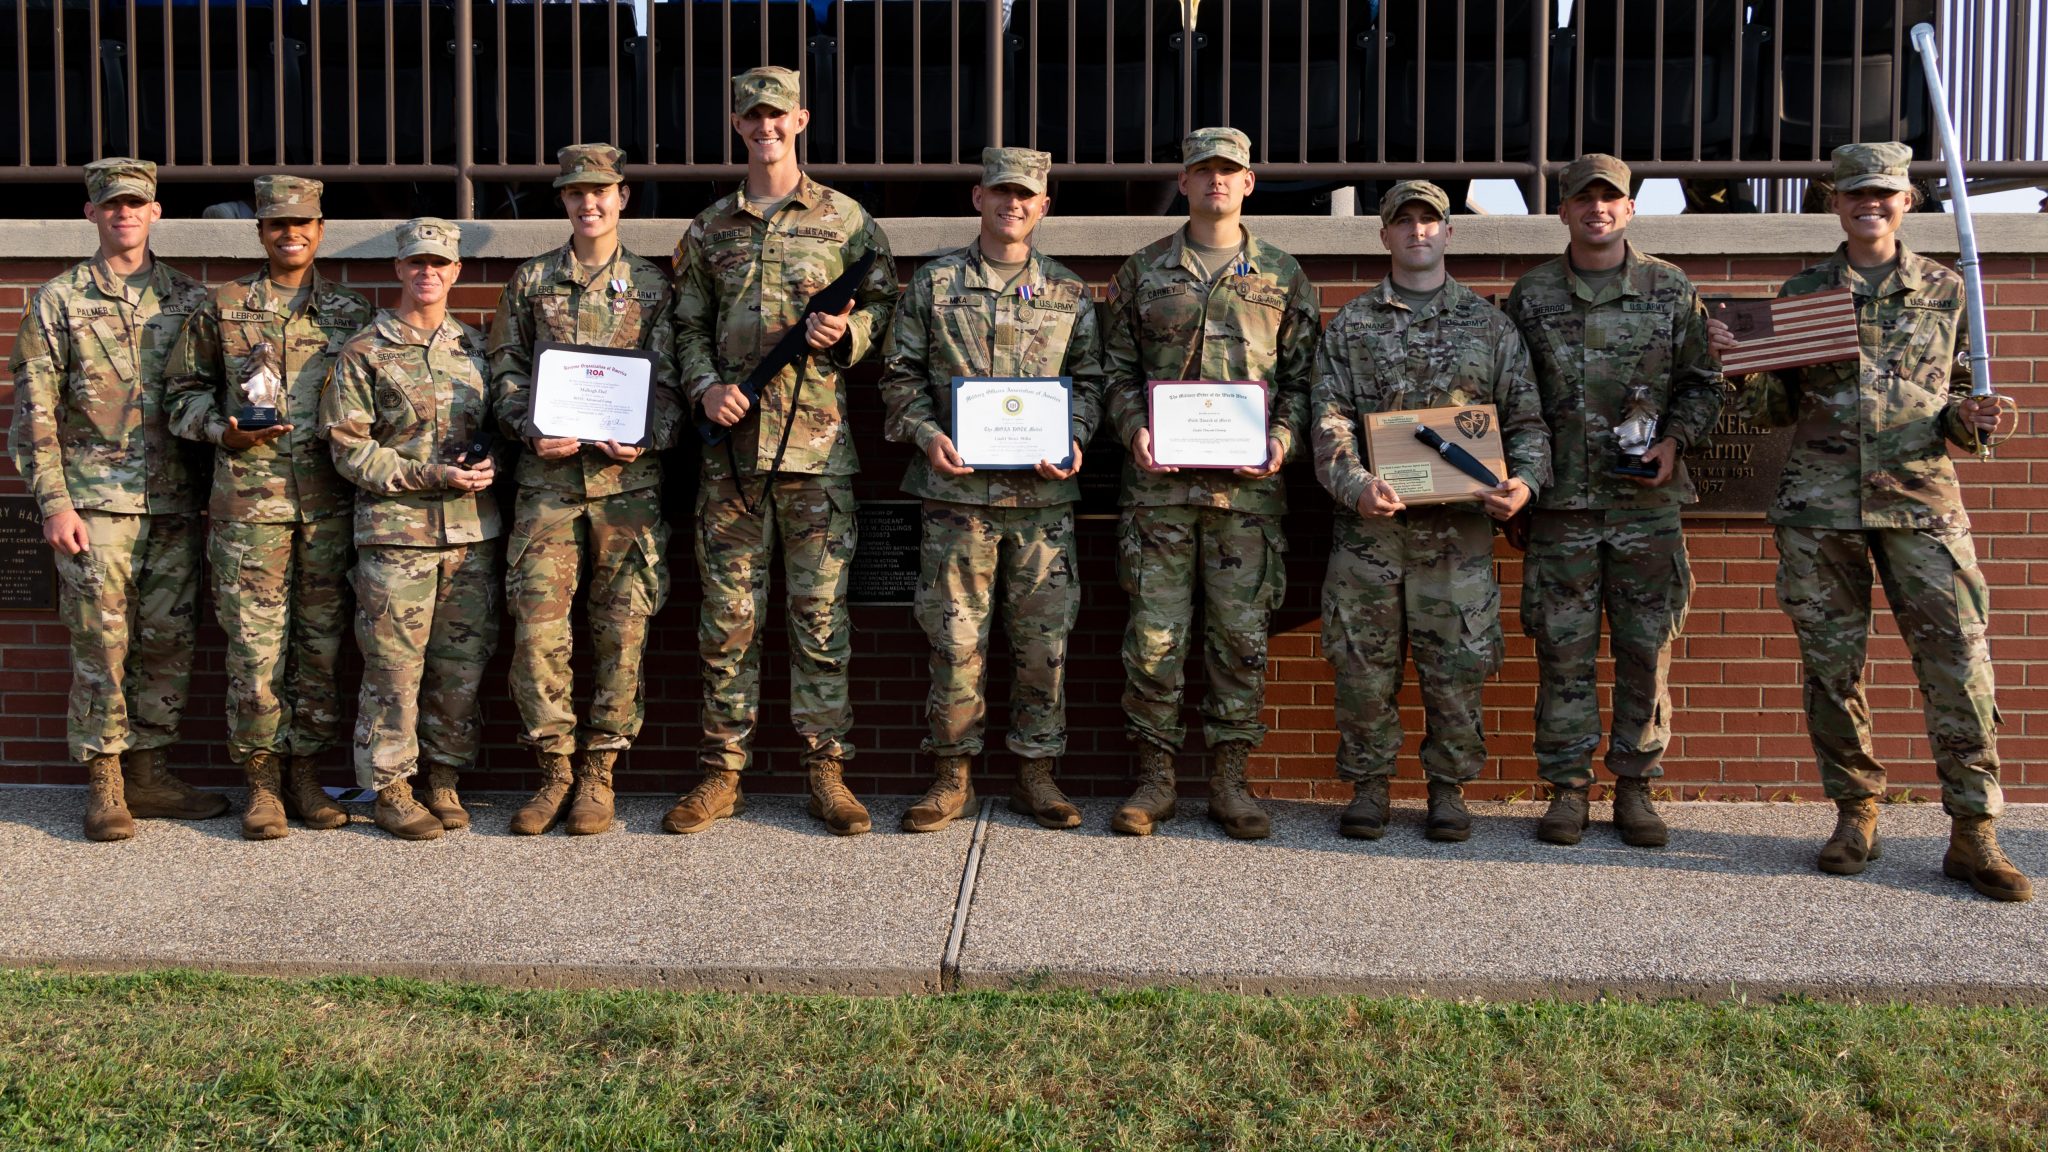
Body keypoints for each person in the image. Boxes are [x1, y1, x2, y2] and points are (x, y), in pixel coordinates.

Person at [1707, 142, 2031, 902]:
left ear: (1907, 202)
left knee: (1958, 664)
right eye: (1855, 193)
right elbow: (1773, 411)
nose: (1870, 204)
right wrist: (1744, 366)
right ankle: (1856, 813)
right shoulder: (1805, 290)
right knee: (1832, 668)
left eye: (1884, 193)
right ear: (1836, 202)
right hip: (1821, 510)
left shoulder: (1948, 292)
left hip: (1920, 504)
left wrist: (1985, 415)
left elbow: (1963, 405)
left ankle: (1973, 830)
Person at [665, 66, 899, 836]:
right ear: (737, 125)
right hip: (730, 457)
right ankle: (721, 773)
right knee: (728, 621)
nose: (765, 127)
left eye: (778, 115)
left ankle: (826, 771)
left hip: (816, 454)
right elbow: (685, 326)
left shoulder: (847, 222)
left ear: (801, 119)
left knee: (819, 618)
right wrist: (703, 388)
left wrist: (850, 335)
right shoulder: (709, 229)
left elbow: (890, 310)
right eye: (751, 117)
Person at [1312, 180, 1550, 841]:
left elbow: (1527, 419)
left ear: (1451, 232)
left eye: (1430, 220)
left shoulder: (1489, 325)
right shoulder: (1353, 326)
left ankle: (1448, 791)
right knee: (1363, 667)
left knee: (1457, 668)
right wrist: (1355, 482)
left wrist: (1524, 483)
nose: (1418, 231)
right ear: (1383, 235)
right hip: (1371, 532)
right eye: (1403, 221)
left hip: (1460, 537)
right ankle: (1368, 787)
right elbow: (1327, 418)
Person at [876, 147, 1105, 833]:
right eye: (1001, 193)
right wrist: (924, 434)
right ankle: (952, 776)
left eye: (1027, 195)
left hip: (1042, 508)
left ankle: (1038, 774)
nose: (1013, 205)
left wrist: (1078, 437)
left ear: (1044, 205)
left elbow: (1092, 382)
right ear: (978, 198)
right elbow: (899, 376)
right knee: (953, 643)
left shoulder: (1068, 292)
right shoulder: (935, 284)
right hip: (957, 501)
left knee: (1044, 647)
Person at [1101, 127, 1321, 840]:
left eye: (1229, 171)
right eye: (1204, 171)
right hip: (1158, 494)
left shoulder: (1284, 276)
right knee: (1155, 639)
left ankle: (1231, 780)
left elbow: (1302, 381)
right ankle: (1155, 779)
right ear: (1184, 180)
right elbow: (1115, 371)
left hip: (1245, 499)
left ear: (1249, 183)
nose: (1216, 182)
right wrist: (1134, 425)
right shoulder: (1143, 271)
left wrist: (1283, 441)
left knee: (1239, 639)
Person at [1506, 153, 1722, 849]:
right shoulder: (1532, 295)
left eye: (1611, 199)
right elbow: (1513, 398)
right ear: (1563, 212)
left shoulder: (1668, 288)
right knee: (1562, 654)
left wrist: (1676, 443)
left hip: (1643, 508)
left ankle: (1636, 787)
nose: (1597, 209)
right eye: (1583, 200)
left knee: (1645, 649)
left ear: (1629, 210)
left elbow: (1703, 382)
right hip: (1563, 506)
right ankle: (1568, 791)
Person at [8, 157, 226, 841]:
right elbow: (35, 413)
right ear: (92, 215)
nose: (124, 215)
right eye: (111, 205)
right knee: (101, 645)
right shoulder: (59, 300)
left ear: (156, 212)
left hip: (174, 504)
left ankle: (150, 774)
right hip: (95, 506)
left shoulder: (190, 300)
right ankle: (104, 781)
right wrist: (54, 504)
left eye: (136, 204)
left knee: (168, 644)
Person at [164, 176, 373, 840]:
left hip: (328, 511)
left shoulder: (352, 311)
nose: (291, 234)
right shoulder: (221, 307)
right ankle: (260, 780)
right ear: (259, 231)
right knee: (254, 653)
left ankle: (305, 774)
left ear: (320, 230)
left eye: (303, 223)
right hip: (249, 511)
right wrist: (221, 428)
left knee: (318, 649)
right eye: (278, 224)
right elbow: (180, 395)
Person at [487, 143, 682, 837]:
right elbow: (505, 367)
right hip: (547, 485)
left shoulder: (656, 287)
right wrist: (527, 426)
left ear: (622, 197)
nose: (588, 203)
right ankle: (553, 770)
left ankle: (599, 771)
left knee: (622, 630)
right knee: (538, 633)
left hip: (627, 488)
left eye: (600, 191)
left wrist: (648, 433)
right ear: (563, 201)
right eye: (575, 193)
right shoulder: (533, 280)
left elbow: (676, 382)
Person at [319, 218, 502, 841]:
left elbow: (501, 426)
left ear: (456, 272)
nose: (428, 274)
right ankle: (391, 787)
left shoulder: (476, 348)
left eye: (440, 264)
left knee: (461, 666)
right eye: (416, 264)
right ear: (399, 270)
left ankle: (443, 778)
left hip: (471, 535)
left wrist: (492, 463)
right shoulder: (364, 352)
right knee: (393, 669)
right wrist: (428, 476)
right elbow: (349, 449)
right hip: (398, 537)